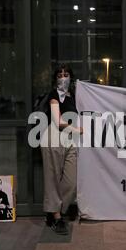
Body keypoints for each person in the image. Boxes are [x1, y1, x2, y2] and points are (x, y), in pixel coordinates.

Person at [40, 64, 82, 235]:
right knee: (52, 178)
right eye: (60, 74)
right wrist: (77, 130)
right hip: (54, 136)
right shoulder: (53, 95)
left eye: (66, 74)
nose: (63, 77)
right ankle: (56, 217)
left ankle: (54, 211)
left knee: (71, 182)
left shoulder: (72, 96)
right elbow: (57, 121)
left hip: (70, 139)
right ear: (55, 78)